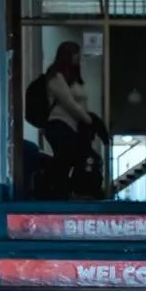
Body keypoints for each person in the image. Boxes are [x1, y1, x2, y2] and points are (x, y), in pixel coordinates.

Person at [41, 41, 107, 199]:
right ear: (66, 56)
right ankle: (54, 189)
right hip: (58, 124)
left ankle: (68, 189)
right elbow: (68, 102)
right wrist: (88, 119)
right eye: (75, 54)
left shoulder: (74, 78)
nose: (78, 58)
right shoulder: (56, 77)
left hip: (73, 126)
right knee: (66, 157)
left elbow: (79, 103)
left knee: (75, 157)